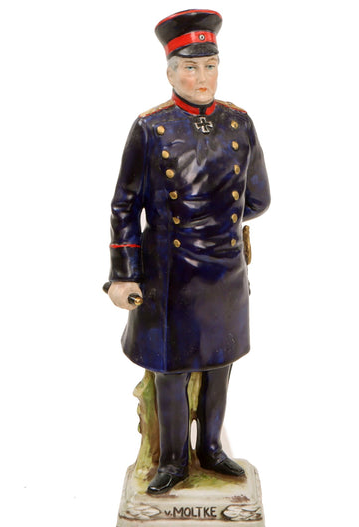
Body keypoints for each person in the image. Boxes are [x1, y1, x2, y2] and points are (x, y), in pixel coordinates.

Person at [106, 9, 271, 495]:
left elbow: (259, 199)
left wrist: (222, 228)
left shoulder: (240, 122)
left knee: (221, 362)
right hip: (169, 275)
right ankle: (173, 459)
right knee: (170, 370)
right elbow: (124, 206)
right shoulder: (150, 128)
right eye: (190, 67)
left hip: (223, 273)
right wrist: (124, 274)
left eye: (210, 66)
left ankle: (212, 449)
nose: (202, 78)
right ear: (170, 72)